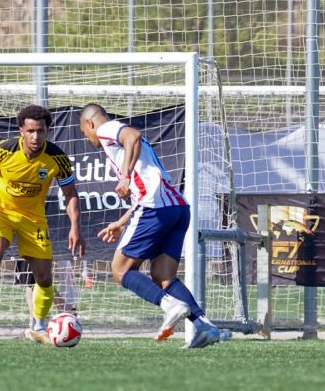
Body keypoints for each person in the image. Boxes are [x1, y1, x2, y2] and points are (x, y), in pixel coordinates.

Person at [79, 102, 230, 348]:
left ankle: (169, 305)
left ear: (90, 123)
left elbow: (133, 135)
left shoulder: (106, 129)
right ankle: (205, 326)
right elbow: (148, 184)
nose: (87, 138)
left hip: (155, 208)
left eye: (84, 133)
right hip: (177, 208)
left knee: (120, 270)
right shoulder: (126, 146)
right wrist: (121, 222)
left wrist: (125, 177)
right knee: (163, 276)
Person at [0, 104, 85, 342]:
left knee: (44, 277)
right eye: (30, 131)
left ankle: (39, 328)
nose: (35, 136)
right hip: (1, 212)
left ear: (47, 131)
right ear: (21, 130)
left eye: (40, 131)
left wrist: (75, 227)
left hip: (34, 219)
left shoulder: (57, 158)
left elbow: (70, 193)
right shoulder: (4, 150)